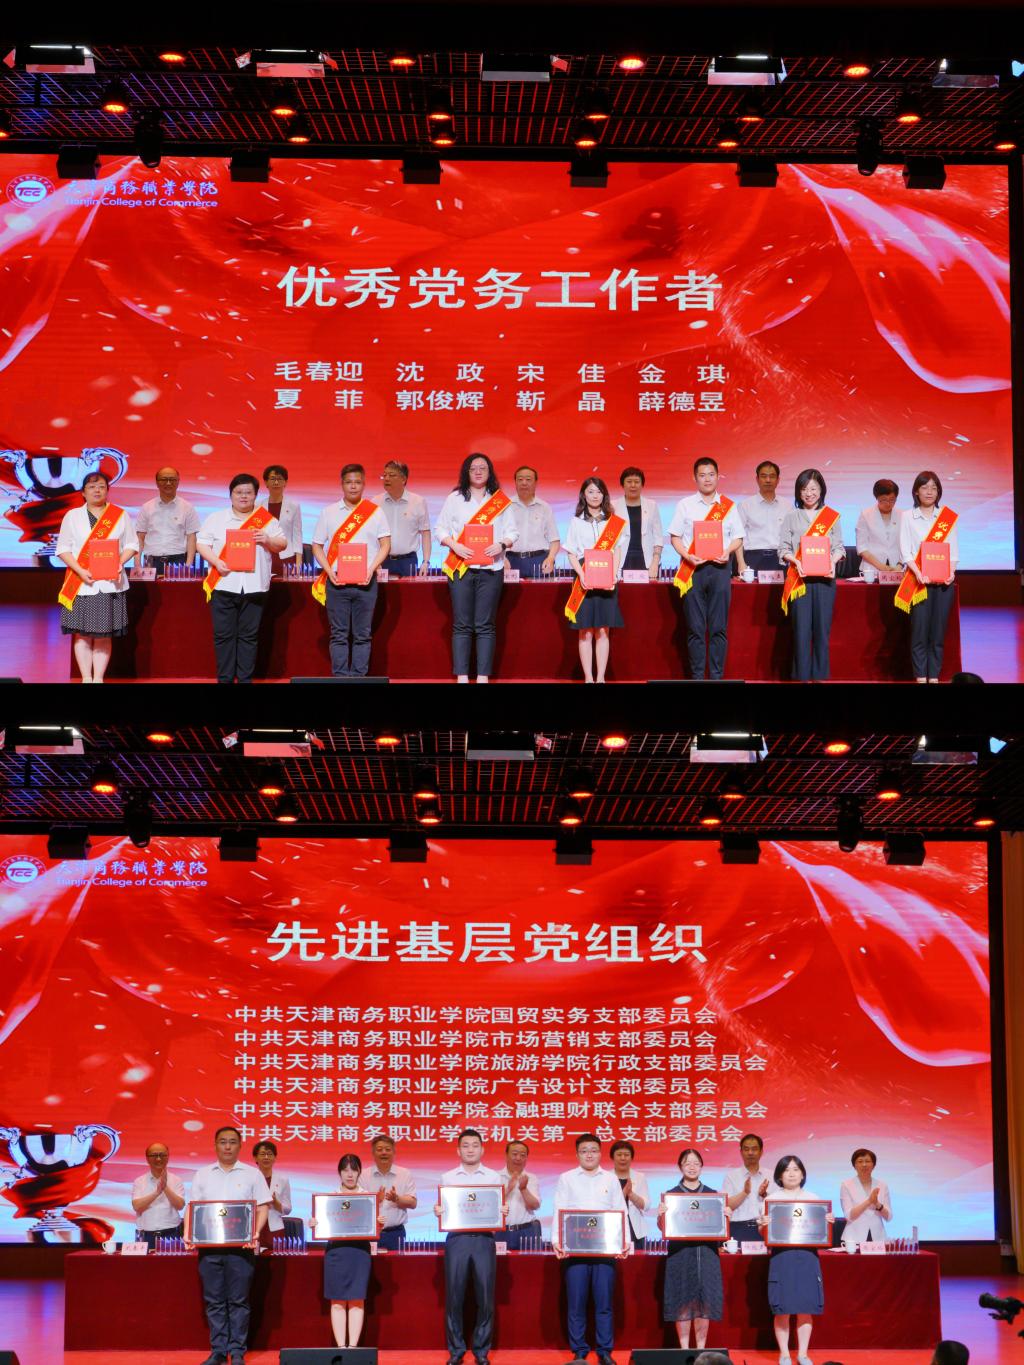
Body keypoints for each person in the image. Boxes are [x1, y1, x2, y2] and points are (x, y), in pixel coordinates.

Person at [188, 1124, 270, 1365]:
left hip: (241, 1249)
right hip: (209, 1248)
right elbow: (193, 1208)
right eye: (223, 1142)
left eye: (232, 1142)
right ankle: (218, 1351)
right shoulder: (202, 1174)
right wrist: (188, 1234)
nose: (227, 1146)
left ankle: (237, 1352)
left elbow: (263, 1207)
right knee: (214, 1301)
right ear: (215, 1145)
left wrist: (255, 1233)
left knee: (238, 1301)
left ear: (240, 1145)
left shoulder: (252, 1174)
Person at [435, 453, 519, 683]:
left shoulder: (500, 500)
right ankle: (462, 677)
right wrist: (455, 545)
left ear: (490, 472)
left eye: (483, 468)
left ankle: (483, 678)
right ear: (467, 472)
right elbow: (440, 529)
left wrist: (501, 544)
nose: (479, 472)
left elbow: (513, 532)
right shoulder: (455, 498)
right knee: (461, 625)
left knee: (485, 625)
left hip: (492, 569)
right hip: (460, 568)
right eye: (474, 468)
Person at [196, 473, 286, 684]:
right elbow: (202, 544)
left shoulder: (266, 520)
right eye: (239, 492)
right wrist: (216, 561)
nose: (243, 496)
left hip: (255, 587)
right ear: (231, 495)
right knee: (223, 636)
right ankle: (225, 680)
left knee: (249, 637)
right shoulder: (216, 518)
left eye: (248, 492)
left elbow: (282, 544)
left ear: (255, 495)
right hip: (224, 584)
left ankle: (245, 680)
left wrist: (267, 539)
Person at [552, 1132, 629, 1365]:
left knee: (604, 1304)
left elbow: (620, 1210)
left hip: (605, 1251)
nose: (589, 1155)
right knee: (576, 1303)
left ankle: (604, 1350)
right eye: (584, 1151)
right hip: (575, 1251)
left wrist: (624, 1242)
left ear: (600, 1153)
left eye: (593, 1150)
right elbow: (559, 1209)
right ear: (577, 1154)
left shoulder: (610, 1179)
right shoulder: (566, 1178)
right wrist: (557, 1240)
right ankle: (579, 1350)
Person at [56, 470, 139, 683]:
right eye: (92, 487)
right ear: (83, 492)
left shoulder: (120, 515)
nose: (97, 490)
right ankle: (86, 678)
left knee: (104, 634)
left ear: (107, 490)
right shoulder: (72, 516)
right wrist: (80, 570)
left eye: (101, 486)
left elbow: (132, 544)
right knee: (82, 634)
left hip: (111, 584)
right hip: (81, 583)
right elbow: (63, 549)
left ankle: (98, 679)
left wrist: (119, 562)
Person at [434, 1127, 506, 1365]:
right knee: (454, 1296)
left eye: (475, 1145)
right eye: (465, 1145)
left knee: (485, 1296)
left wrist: (502, 1211)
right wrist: (439, 1211)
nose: (470, 1150)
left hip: (484, 1240)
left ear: (482, 1149)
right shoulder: (448, 1177)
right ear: (458, 1150)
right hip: (457, 1240)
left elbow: (497, 1207)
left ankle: (481, 1350)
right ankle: (456, 1350)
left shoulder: (493, 1177)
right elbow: (444, 1208)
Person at [311, 464, 391, 677]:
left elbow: (385, 545)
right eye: (349, 482)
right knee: (338, 635)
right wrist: (329, 571)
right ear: (342, 484)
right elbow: (317, 545)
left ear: (364, 484)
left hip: (366, 582)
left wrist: (371, 569)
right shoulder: (328, 512)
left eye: (357, 482)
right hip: (337, 583)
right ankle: (340, 678)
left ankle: (358, 678)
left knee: (362, 635)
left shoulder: (375, 512)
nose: (353, 486)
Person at [668, 458, 744, 680]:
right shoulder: (685, 505)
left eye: (711, 474)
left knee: (719, 628)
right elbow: (675, 537)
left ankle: (717, 678)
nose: (707, 479)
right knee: (695, 628)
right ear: (695, 478)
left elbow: (738, 537)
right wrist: (687, 555)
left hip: (720, 570)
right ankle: (698, 678)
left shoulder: (728, 506)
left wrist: (727, 551)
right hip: (693, 571)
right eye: (702, 475)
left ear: (718, 476)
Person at [758, 1154, 833, 1365]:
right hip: (782, 1258)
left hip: (808, 1258)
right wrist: (763, 1225)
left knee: (805, 1308)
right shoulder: (771, 1200)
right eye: (786, 1170)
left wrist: (827, 1223)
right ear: (779, 1175)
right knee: (783, 1309)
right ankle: (784, 1354)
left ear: (802, 1174)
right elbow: (763, 1233)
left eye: (796, 1169)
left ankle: (803, 1354)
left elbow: (822, 1232)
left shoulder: (814, 1198)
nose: (791, 1174)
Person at [779, 469, 845, 682]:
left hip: (825, 582)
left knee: (822, 632)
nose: (809, 493)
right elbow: (783, 548)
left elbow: (839, 548)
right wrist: (796, 561)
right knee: (801, 632)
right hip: (799, 581)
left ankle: (820, 677)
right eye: (804, 489)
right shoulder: (791, 516)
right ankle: (802, 678)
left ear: (821, 490)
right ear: (798, 492)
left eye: (814, 489)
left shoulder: (831, 516)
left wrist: (833, 561)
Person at [657, 1148, 725, 1352]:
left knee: (704, 1303)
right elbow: (663, 1228)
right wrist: (661, 1216)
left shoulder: (713, 1195)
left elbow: (719, 1227)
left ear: (702, 1167)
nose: (692, 1167)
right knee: (683, 1301)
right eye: (688, 1163)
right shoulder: (672, 1195)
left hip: (707, 1254)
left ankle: (701, 1350)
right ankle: (685, 1350)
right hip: (680, 1255)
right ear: (680, 1167)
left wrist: (725, 1215)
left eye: (696, 1163)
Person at [564, 477, 629, 684]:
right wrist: (581, 575)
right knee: (585, 630)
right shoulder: (576, 521)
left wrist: (614, 573)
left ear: (604, 495)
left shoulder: (613, 521)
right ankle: (588, 678)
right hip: (584, 575)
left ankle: (600, 678)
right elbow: (571, 552)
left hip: (607, 575)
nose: (595, 496)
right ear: (584, 495)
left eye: (599, 492)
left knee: (603, 629)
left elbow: (617, 549)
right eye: (591, 491)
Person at [897, 470, 959, 683]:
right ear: (916, 491)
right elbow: (905, 552)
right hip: (918, 583)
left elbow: (954, 552)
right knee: (919, 633)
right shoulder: (907, 516)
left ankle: (934, 677)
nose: (929, 492)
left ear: (939, 492)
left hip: (943, 584)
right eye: (925, 487)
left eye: (934, 488)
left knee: (938, 634)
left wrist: (951, 572)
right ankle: (921, 677)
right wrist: (919, 573)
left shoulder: (947, 518)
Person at [317, 1154, 374, 1348]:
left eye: (354, 1170)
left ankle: (353, 1348)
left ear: (359, 1172)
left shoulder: (368, 1198)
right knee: (337, 1300)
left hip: (359, 1253)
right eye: (345, 1170)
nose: (350, 1174)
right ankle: (341, 1347)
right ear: (339, 1173)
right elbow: (323, 1226)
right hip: (336, 1252)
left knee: (357, 1300)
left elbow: (373, 1228)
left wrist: (379, 1224)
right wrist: (315, 1224)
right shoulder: (329, 1198)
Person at [135, 467, 200, 574]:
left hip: (178, 561)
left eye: (172, 479)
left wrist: (188, 565)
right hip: (151, 561)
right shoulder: (146, 507)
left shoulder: (187, 507)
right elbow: (140, 538)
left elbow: (191, 538)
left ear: (178, 482)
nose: (168, 483)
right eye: (164, 479)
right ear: (157, 482)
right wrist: (137, 564)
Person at [363, 1133, 417, 1251]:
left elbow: (413, 1203)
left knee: (397, 1263)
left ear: (394, 1152)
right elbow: (359, 1206)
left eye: (388, 1149)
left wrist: (396, 1199)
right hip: (370, 1232)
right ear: (373, 1153)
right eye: (379, 1149)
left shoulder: (404, 1174)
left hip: (396, 1233)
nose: (384, 1152)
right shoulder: (363, 1175)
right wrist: (376, 1200)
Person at [379, 459, 432, 577]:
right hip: (382, 560)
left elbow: (425, 533)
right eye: (384, 475)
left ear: (403, 479)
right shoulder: (376, 502)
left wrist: (426, 561)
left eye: (391, 475)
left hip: (408, 561)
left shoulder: (418, 502)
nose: (386, 478)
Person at [508, 465, 560, 578]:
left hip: (539, 560)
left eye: (528, 479)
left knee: (540, 590)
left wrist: (551, 558)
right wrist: (501, 558)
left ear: (536, 483)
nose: (524, 483)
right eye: (520, 479)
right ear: (515, 482)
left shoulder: (544, 507)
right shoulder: (505, 506)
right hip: (510, 560)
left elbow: (554, 539)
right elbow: (496, 536)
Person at [736, 460, 786, 575]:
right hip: (752, 558)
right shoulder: (745, 505)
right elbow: (738, 536)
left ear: (778, 480)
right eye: (763, 476)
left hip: (780, 559)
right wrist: (741, 562)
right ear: (757, 479)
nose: (768, 480)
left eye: (772, 476)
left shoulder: (787, 506)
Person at [612, 466, 663, 580]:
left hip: (646, 561)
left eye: (637, 482)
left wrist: (655, 562)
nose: (633, 485)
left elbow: (658, 537)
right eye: (629, 481)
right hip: (619, 560)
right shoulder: (613, 506)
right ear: (622, 484)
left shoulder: (651, 505)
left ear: (642, 484)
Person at [131, 1141, 185, 1248]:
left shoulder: (176, 1180)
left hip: (171, 1234)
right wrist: (157, 1193)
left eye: (162, 1155)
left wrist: (165, 1187)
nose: (159, 1159)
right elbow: (137, 1206)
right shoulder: (139, 1181)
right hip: (146, 1235)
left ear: (168, 1157)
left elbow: (180, 1206)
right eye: (154, 1155)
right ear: (147, 1158)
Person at [722, 1132, 770, 1242]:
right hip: (738, 1228)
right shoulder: (731, 1176)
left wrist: (764, 1195)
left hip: (764, 1228)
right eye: (746, 1149)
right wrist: (744, 1192)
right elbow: (727, 1205)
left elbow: (777, 1205)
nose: (750, 1153)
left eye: (754, 1149)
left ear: (761, 1152)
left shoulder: (770, 1176)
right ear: (741, 1152)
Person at [839, 1147, 891, 1246]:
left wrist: (877, 1204)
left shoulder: (882, 1185)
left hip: (878, 1238)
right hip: (854, 1238)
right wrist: (869, 1201)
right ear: (854, 1165)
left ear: (873, 1165)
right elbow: (849, 1216)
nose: (864, 1164)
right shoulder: (846, 1185)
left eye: (867, 1161)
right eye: (860, 1161)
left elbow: (888, 1217)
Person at [855, 479, 903, 583]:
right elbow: (862, 547)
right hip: (872, 569)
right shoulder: (866, 515)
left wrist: (900, 565)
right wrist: (882, 566)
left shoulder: (903, 515)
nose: (888, 503)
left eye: (892, 500)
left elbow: (907, 544)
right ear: (877, 497)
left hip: (897, 569)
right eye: (884, 500)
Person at [496, 1139, 542, 1249]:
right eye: (514, 1154)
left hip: (527, 1231)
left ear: (526, 1158)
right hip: (501, 1231)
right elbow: (490, 1205)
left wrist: (523, 1189)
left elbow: (535, 1206)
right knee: (498, 1260)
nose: (518, 1158)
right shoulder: (495, 1177)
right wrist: (508, 1189)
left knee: (529, 1260)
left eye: (522, 1155)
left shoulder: (531, 1178)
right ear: (506, 1155)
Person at [262, 464, 303, 575]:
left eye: (279, 479)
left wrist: (298, 564)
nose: (276, 482)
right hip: (263, 556)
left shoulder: (294, 506)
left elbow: (297, 536)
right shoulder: (258, 506)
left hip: (286, 557)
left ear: (285, 482)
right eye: (272, 479)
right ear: (266, 482)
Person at [252, 1139, 292, 1246]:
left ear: (275, 1157)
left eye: (270, 1154)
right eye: (262, 1154)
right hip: (253, 1227)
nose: (266, 1157)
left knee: (275, 1256)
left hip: (275, 1229)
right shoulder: (249, 1179)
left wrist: (275, 1203)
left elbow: (288, 1209)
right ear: (255, 1158)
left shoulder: (283, 1180)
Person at [609, 1140, 649, 1247]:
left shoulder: (640, 1177)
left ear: (631, 1157)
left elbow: (646, 1206)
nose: (623, 1158)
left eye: (626, 1155)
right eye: (619, 1155)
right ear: (612, 1157)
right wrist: (623, 1194)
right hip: (612, 1228)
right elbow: (604, 1207)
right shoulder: (606, 1178)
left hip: (635, 1229)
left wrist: (631, 1194)